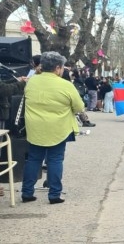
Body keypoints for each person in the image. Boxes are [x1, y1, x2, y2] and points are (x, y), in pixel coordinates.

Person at [20, 52, 84, 205]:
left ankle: (27, 192)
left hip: (35, 127)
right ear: (57, 68)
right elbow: (79, 106)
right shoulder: (66, 85)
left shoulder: (32, 81)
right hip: (58, 128)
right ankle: (54, 194)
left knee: (33, 159)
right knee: (55, 160)